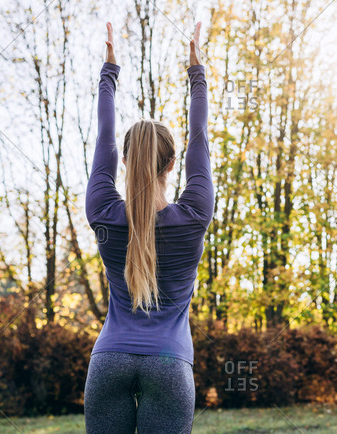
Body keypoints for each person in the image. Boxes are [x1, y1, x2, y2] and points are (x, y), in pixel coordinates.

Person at [83, 21, 212, 434]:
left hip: (109, 361)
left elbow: (105, 133)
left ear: (123, 161)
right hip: (170, 364)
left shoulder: (103, 211)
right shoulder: (194, 215)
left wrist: (109, 72)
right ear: (173, 164)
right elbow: (199, 137)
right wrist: (197, 74)